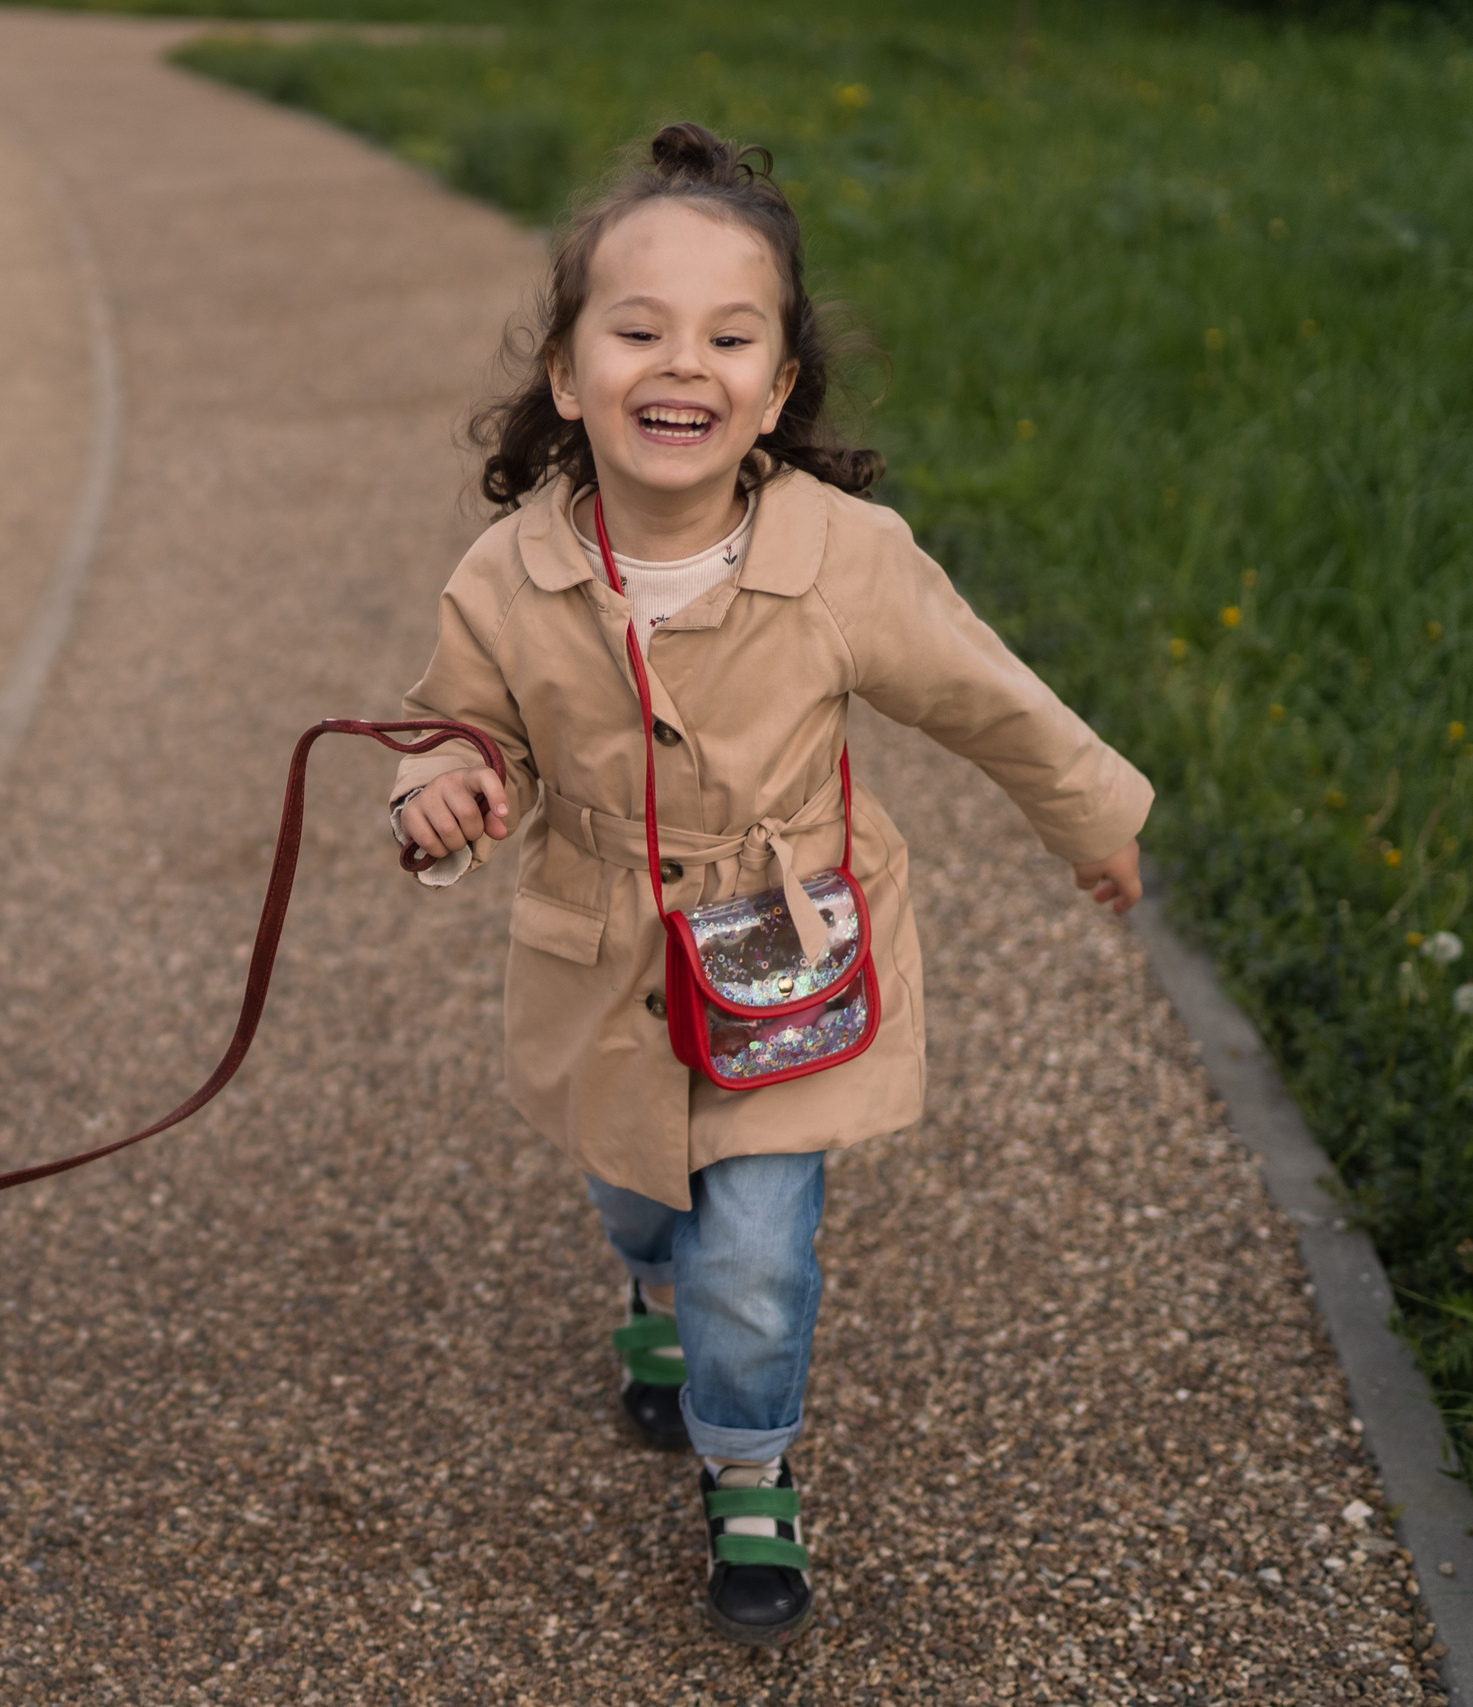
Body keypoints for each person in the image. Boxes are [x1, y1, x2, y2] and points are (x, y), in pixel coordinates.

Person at [389, 122, 1150, 1646]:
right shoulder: (508, 574)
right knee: (635, 1197)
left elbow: (987, 695)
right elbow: (462, 723)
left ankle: (750, 1465)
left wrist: (1088, 816)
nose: (685, 362)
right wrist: (443, 788)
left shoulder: (845, 557)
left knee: (751, 1246)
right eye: (639, 328)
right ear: (565, 373)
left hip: (783, 950)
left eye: (732, 335)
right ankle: (651, 1297)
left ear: (779, 389)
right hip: (605, 954)